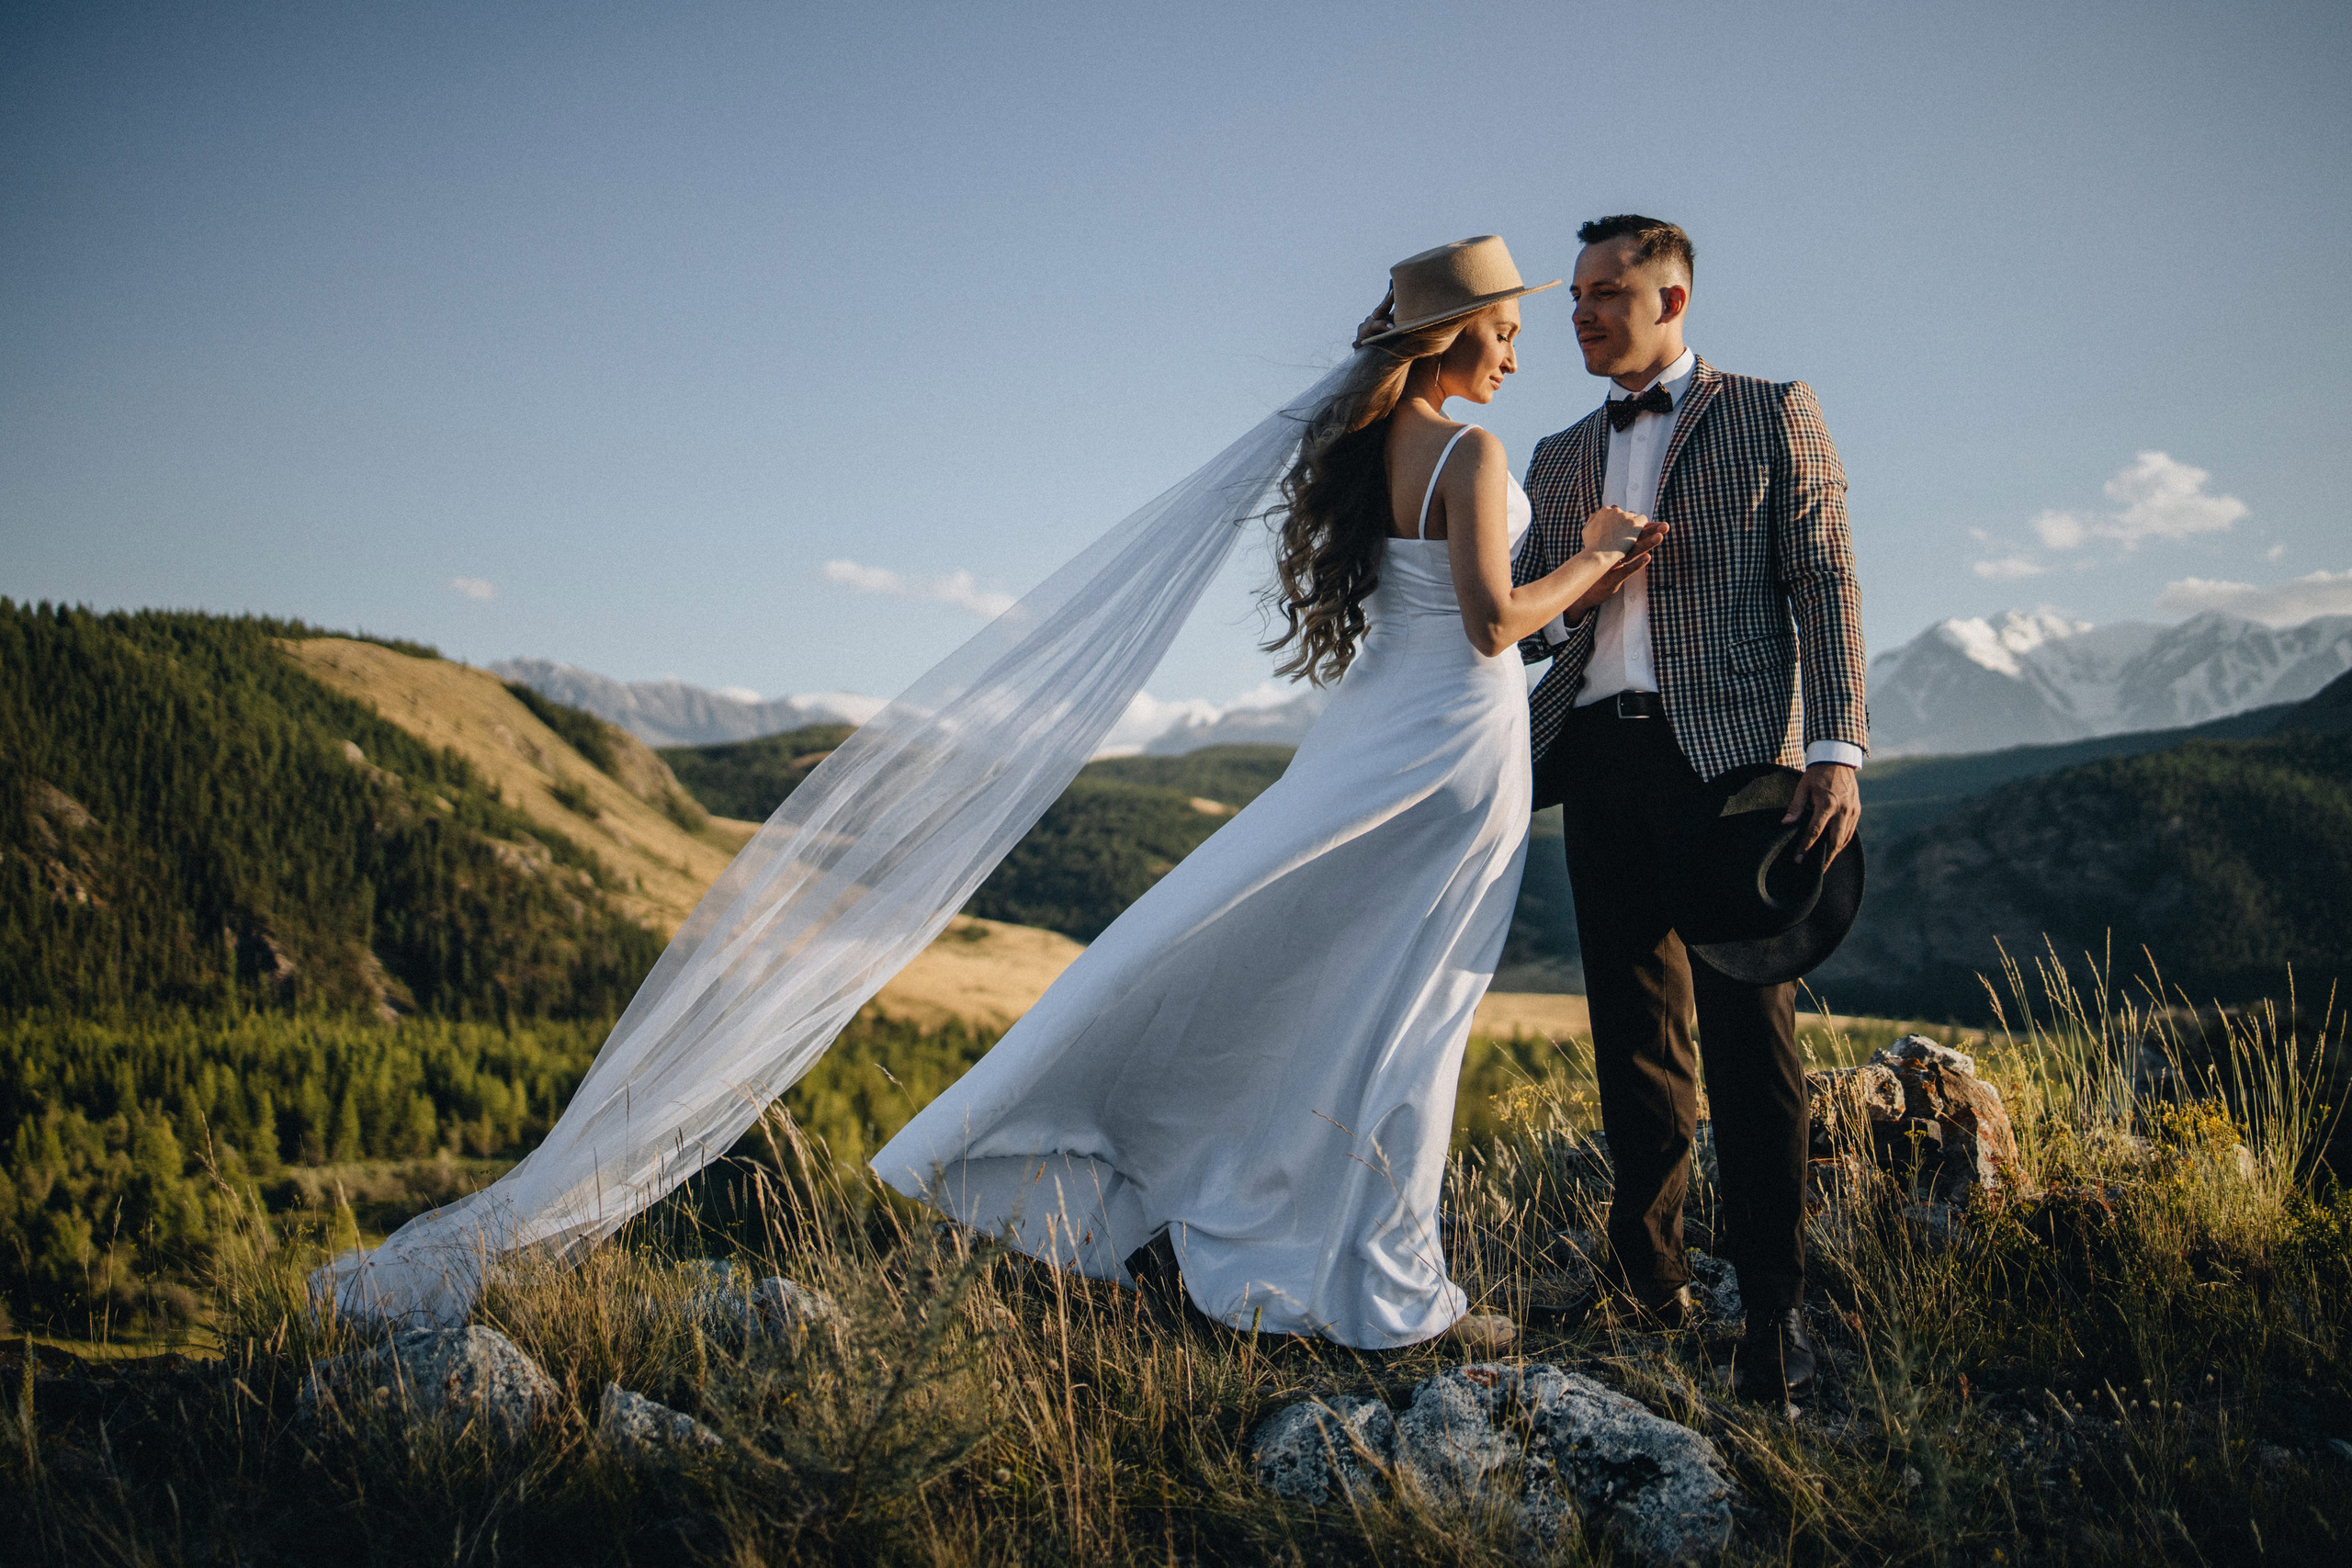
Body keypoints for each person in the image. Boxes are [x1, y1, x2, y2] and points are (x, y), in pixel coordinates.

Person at [871, 236, 1667, 1350]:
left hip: (1373, 731)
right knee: (1409, 1017)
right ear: (1451, 335)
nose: (1514, 357)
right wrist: (1596, 558)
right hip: (1452, 748)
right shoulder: (1472, 452)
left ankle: (1270, 1218)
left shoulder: (1359, 450)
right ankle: (1387, 1286)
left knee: (1325, 990)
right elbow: (1492, 625)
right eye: (1503, 333)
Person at [1510, 216, 1868, 1403]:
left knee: (1751, 1042)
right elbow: (1526, 622)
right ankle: (1646, 1276)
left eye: (1606, 292)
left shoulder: (1772, 411)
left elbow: (1824, 577)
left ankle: (1774, 1308)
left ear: (1672, 298)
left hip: (1734, 776)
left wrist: (1835, 750)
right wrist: (1583, 585)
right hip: (1597, 761)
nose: (1580, 312)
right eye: (1575, 295)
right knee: (1633, 1036)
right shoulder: (1557, 453)